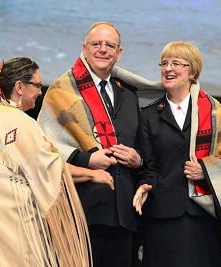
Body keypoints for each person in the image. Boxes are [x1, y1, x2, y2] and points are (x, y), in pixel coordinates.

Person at [0, 57, 113, 267]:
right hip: (7, 226)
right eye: (37, 85)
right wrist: (92, 174)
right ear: (19, 87)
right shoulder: (19, 122)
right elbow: (49, 168)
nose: (40, 91)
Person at [126, 41, 221, 267]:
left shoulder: (212, 110)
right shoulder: (148, 115)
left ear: (192, 71)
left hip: (202, 215)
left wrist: (205, 169)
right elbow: (149, 166)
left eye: (176, 63)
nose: (168, 69)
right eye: (164, 63)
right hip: (161, 216)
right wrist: (145, 183)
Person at [37, 22, 143, 267]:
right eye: (96, 44)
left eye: (110, 45)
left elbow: (143, 149)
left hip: (123, 215)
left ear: (119, 53)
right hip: (79, 210)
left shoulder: (129, 96)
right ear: (84, 49)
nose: (103, 50)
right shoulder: (61, 91)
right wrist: (86, 159)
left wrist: (138, 160)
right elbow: (44, 147)